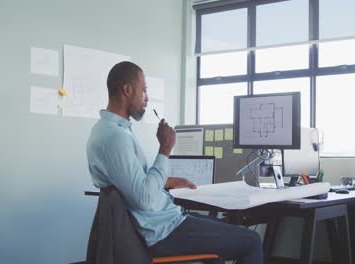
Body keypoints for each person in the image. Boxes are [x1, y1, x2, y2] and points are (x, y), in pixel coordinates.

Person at [86, 61, 263, 264]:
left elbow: (133, 183)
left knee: (223, 235)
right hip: (162, 231)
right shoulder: (113, 137)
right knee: (251, 240)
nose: (147, 98)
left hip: (165, 220)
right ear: (127, 90)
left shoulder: (112, 130)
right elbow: (143, 198)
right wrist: (165, 148)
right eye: (143, 90)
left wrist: (166, 181)